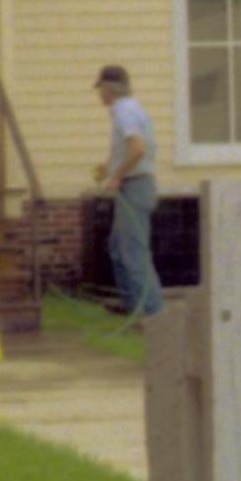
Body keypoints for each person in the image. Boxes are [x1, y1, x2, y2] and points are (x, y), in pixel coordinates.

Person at [91, 65, 162, 320]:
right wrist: (107, 169)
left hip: (135, 186)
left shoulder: (124, 111)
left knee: (133, 251)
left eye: (100, 89)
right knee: (119, 248)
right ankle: (133, 307)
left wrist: (118, 176)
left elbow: (138, 149)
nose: (99, 94)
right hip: (136, 185)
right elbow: (128, 149)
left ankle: (153, 315)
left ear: (109, 89)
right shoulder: (128, 109)